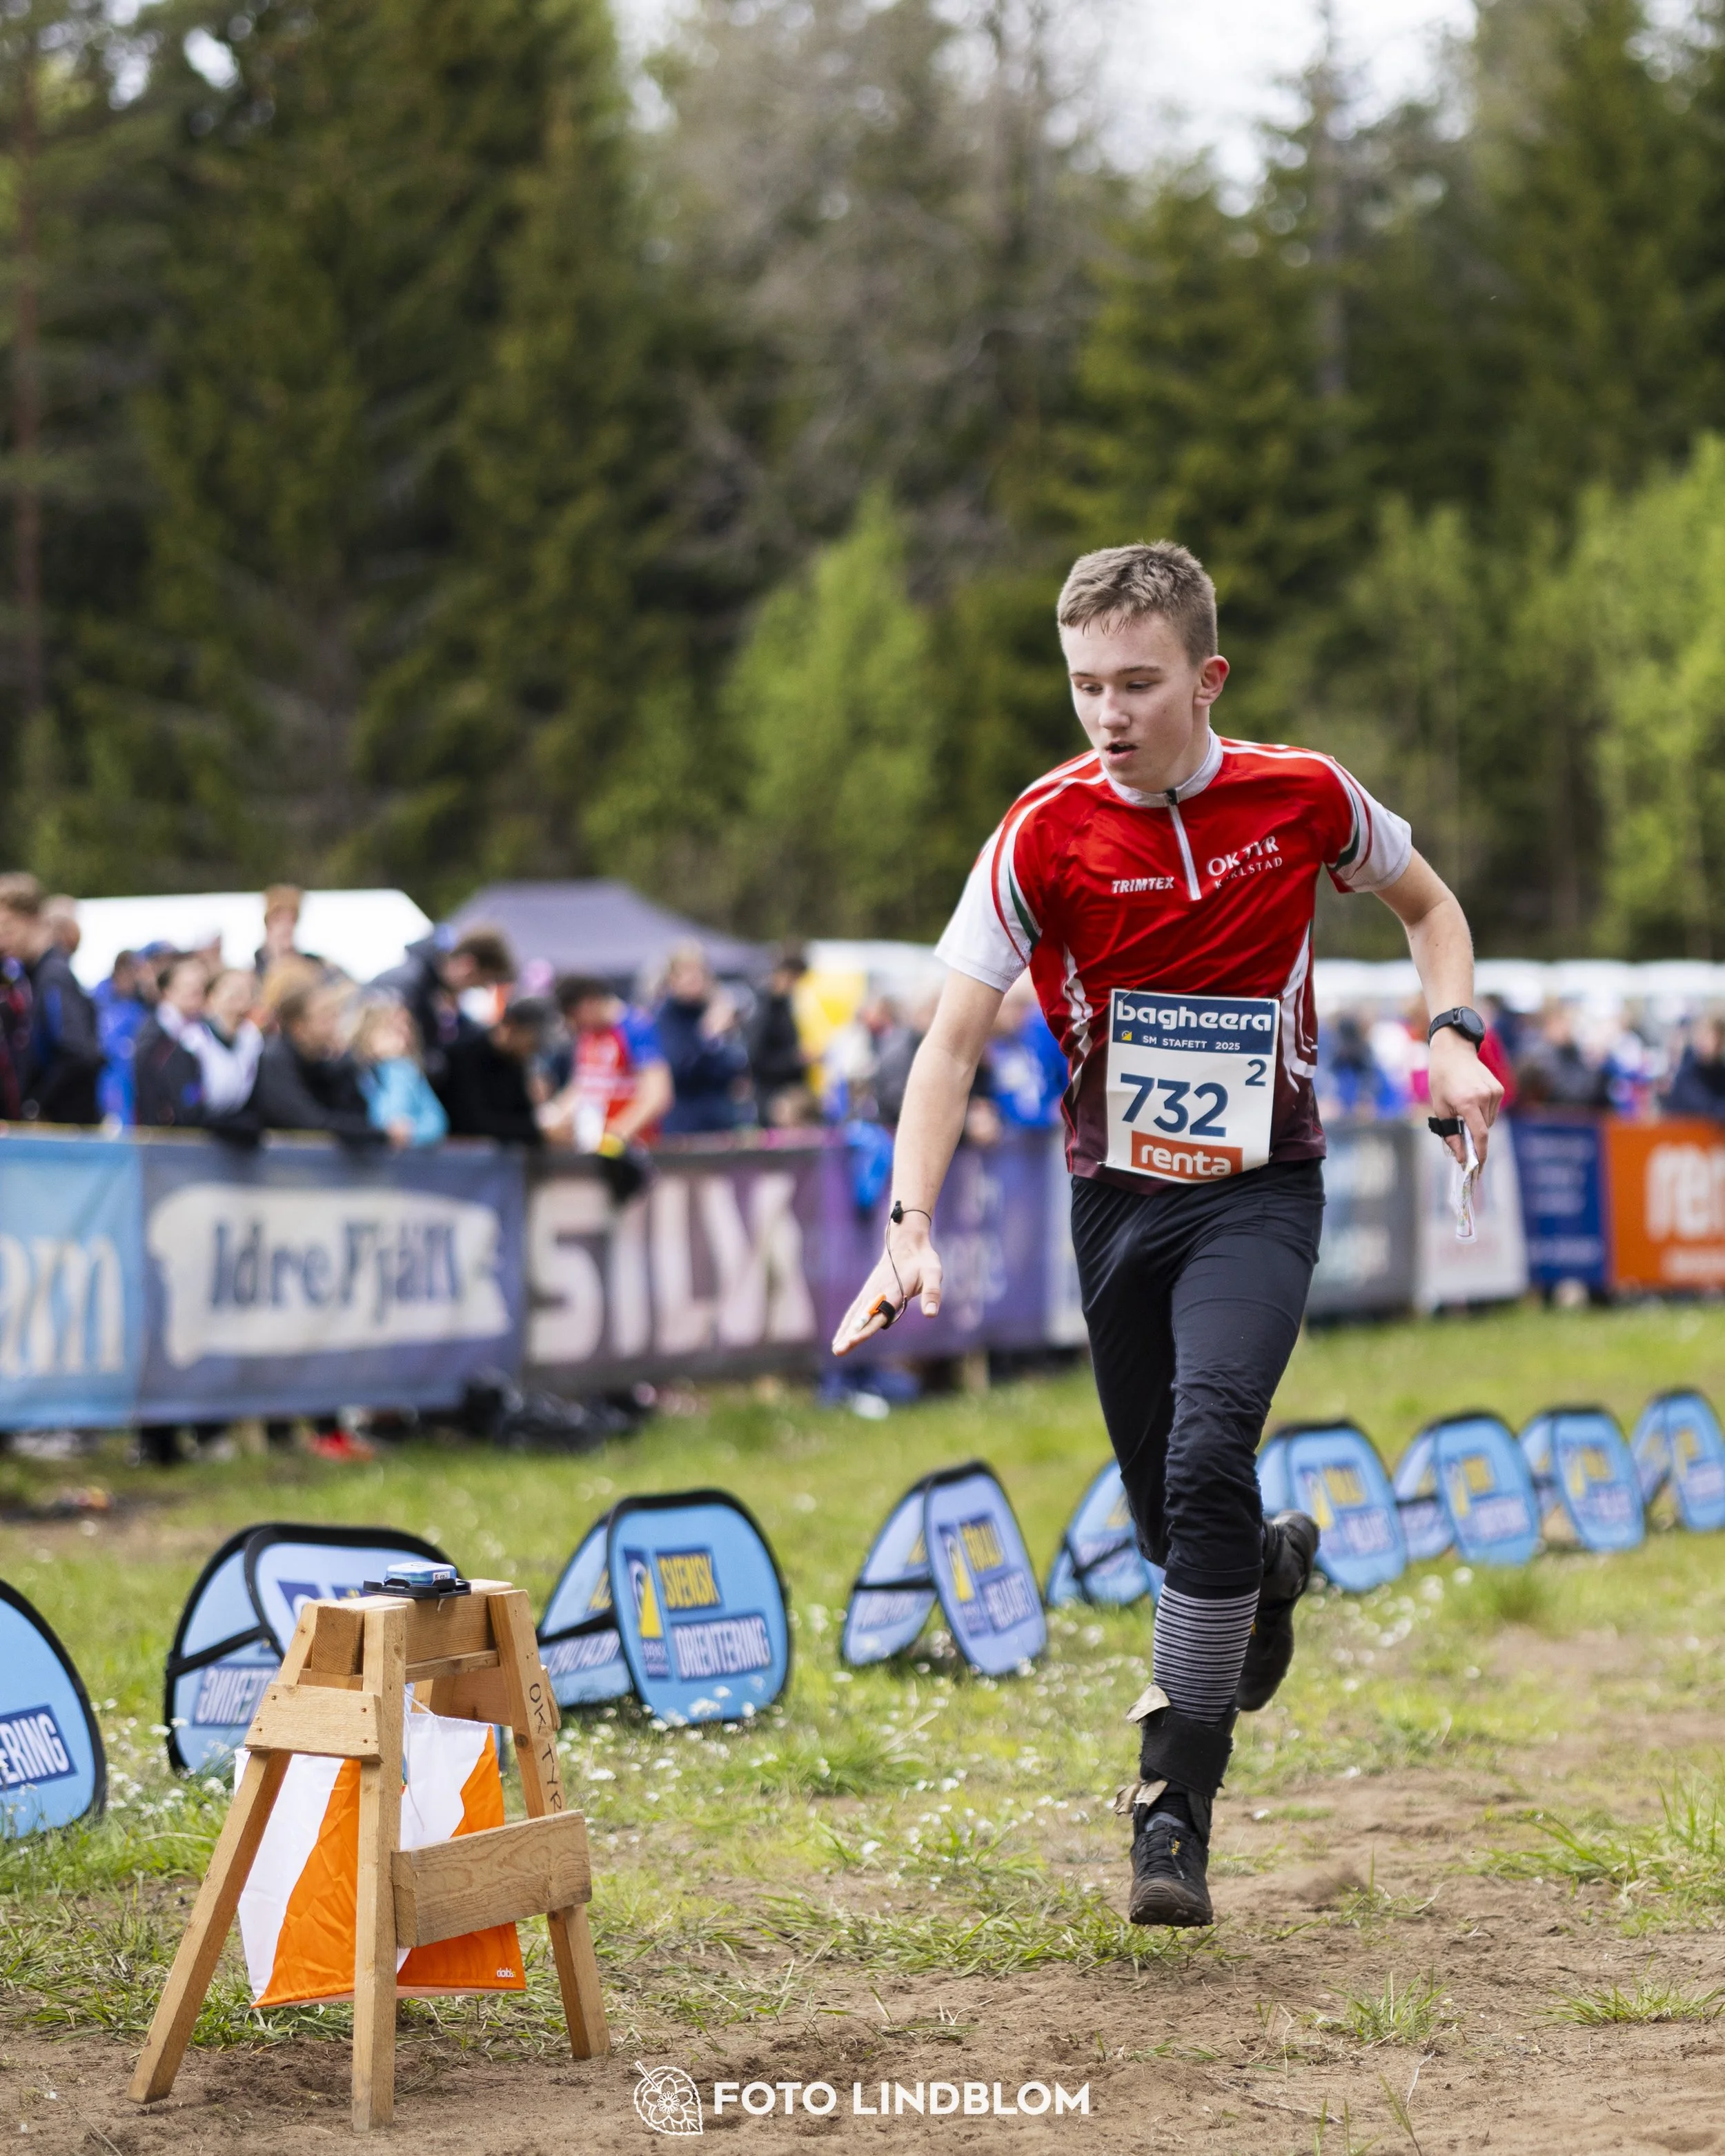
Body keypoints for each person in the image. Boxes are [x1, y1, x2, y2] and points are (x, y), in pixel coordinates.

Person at [832, 542, 1501, 1930]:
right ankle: (1257, 1568)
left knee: (1207, 1448)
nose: (1106, 713)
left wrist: (1449, 1038)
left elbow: (1429, 908)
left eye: (1135, 683)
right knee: (1173, 1513)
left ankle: (1170, 1802)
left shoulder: (1302, 794)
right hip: (1116, 1200)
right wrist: (905, 1226)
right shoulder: (1038, 830)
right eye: (1083, 684)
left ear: (1205, 679)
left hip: (1261, 1189)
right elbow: (947, 1046)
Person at [0, 873, 102, 1125]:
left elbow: (80, 1053)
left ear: (32, 921)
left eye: (8, 928)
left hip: (65, 1136)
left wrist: (35, 1105)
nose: (2, 940)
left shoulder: (53, 977)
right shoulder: (30, 977)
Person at [540, 976, 671, 1153]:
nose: (573, 1025)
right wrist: (552, 1116)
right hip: (594, 1144)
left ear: (588, 1003)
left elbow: (657, 1095)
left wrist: (618, 1134)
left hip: (631, 1147)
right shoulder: (587, 1035)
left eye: (573, 1016)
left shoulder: (635, 1029)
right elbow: (582, 1086)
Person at [372, 925, 515, 1088]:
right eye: (477, 985)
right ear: (468, 966)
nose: (467, 992)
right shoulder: (408, 986)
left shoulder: (430, 989)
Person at [252, 980, 385, 1145]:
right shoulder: (274, 1059)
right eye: (326, 1015)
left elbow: (354, 1113)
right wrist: (377, 1133)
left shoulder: (326, 1063)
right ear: (298, 1027)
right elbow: (307, 1122)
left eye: (336, 1014)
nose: (335, 1022)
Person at [654, 943, 752, 1134]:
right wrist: (708, 1034)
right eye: (688, 973)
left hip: (722, 1123)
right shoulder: (665, 1019)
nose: (695, 979)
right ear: (672, 979)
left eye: (700, 973)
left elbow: (736, 1066)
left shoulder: (715, 1009)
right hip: (684, 1128)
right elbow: (679, 1070)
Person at [439, 996, 546, 1145]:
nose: (535, 1048)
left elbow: (524, 1115)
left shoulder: (516, 1060)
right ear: (510, 1026)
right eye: (533, 1040)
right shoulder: (463, 1055)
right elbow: (475, 1123)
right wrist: (538, 1130)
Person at [353, 998, 448, 1147]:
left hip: (409, 1162)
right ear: (369, 1034)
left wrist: (411, 1132)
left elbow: (437, 1122)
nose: (403, 1036)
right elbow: (364, 1116)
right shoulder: (360, 1073)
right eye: (393, 1029)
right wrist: (387, 1130)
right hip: (368, 1159)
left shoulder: (411, 1073)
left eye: (406, 1028)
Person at [133, 956, 212, 1128]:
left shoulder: (201, 1031)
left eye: (200, 987)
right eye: (188, 986)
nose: (196, 991)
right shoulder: (155, 1035)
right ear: (168, 990)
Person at [747, 945, 810, 1123]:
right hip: (771, 1099)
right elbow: (756, 1058)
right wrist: (794, 1060)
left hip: (785, 1095)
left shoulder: (783, 1005)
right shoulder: (763, 1009)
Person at [95, 950, 157, 1124]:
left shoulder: (143, 1009)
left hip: (132, 1093)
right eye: (132, 972)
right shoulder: (98, 1000)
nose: (135, 979)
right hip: (105, 1091)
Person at [1664, 1014, 1725, 1119]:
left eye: (1711, 1036)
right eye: (1701, 1035)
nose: (1703, 1041)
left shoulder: (1720, 1071)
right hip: (1686, 1133)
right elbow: (1709, 1110)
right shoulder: (1687, 1076)